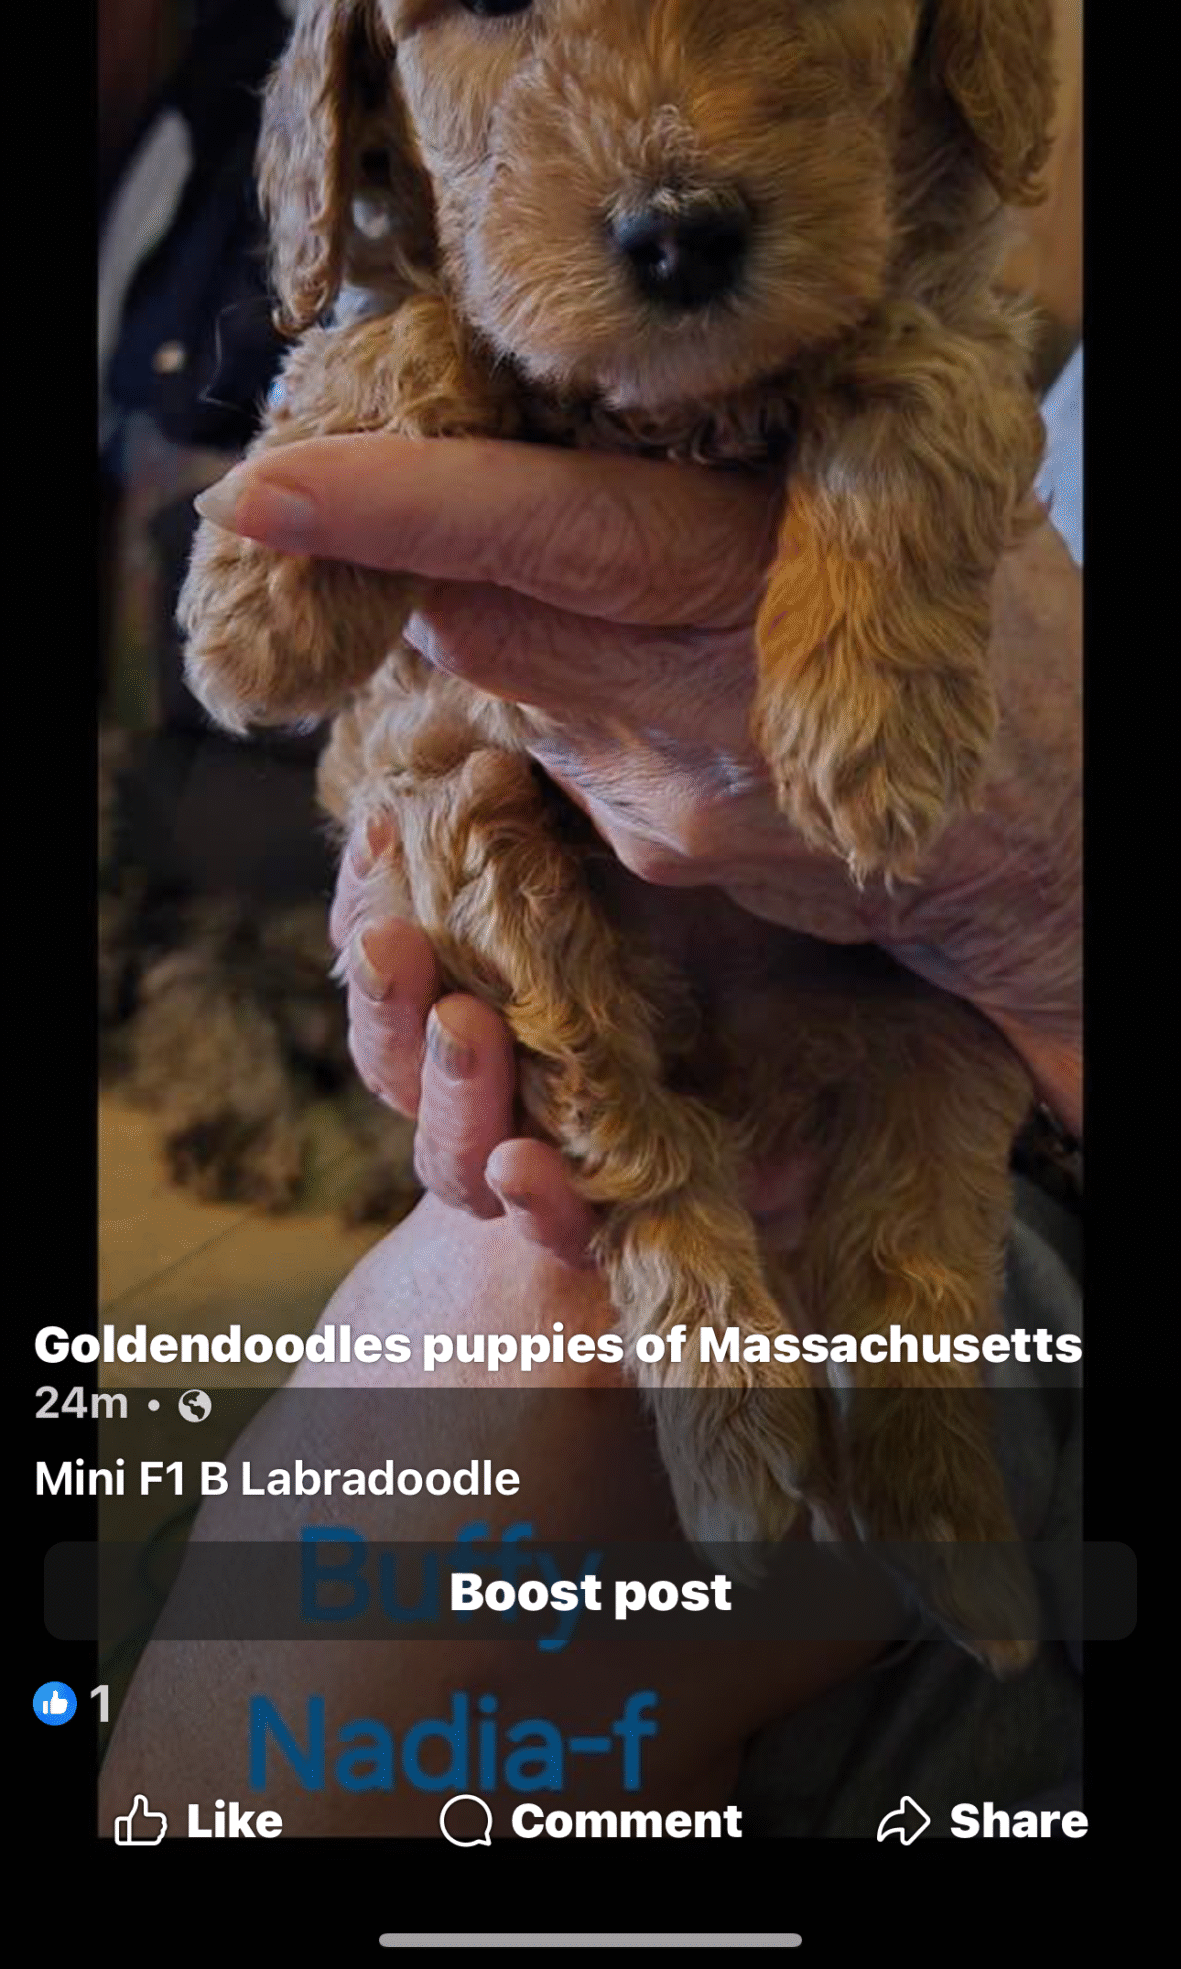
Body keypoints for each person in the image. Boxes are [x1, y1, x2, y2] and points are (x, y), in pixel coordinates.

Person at [99, 367, 1082, 1839]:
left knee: (562, 1337)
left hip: (993, 1081)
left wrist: (1054, 910)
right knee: (527, 1277)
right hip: (860, 1010)